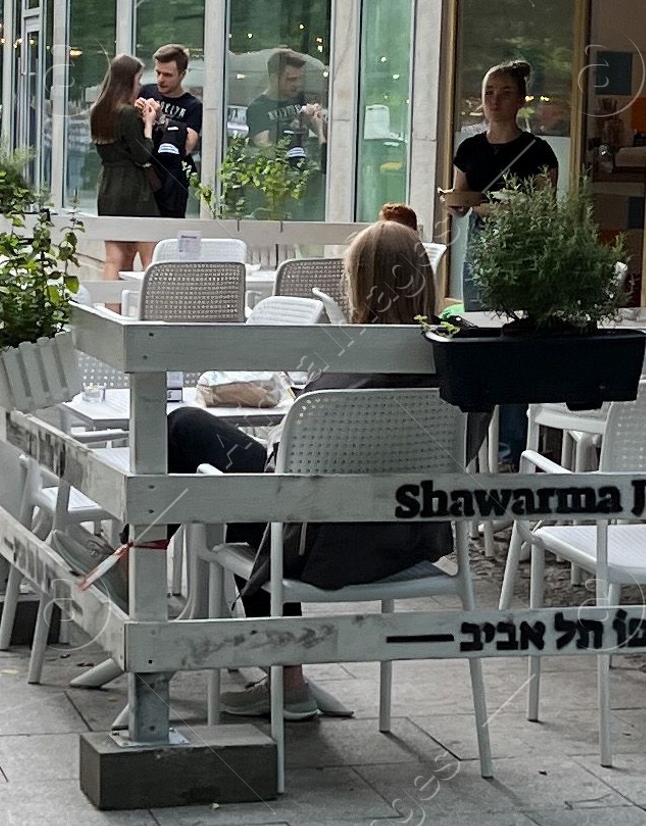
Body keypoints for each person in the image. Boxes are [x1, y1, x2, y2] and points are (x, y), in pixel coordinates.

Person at [165, 221, 452, 721]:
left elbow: (291, 472)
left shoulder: (351, 363)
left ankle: (131, 559)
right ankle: (287, 680)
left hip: (320, 543)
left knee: (188, 427)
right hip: (405, 536)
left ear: (360, 283)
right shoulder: (446, 359)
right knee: (261, 493)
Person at [443, 59, 559, 470]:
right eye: (489, 92)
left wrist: (483, 205)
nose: (494, 100)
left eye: (504, 92)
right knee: (479, 346)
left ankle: (510, 452)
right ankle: (473, 448)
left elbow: (542, 210)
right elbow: (459, 203)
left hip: (522, 258)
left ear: (521, 99)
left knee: (515, 351)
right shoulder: (469, 148)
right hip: (478, 255)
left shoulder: (538, 152)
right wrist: (460, 203)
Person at [90, 53, 160, 281]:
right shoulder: (127, 113)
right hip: (134, 189)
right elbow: (143, 155)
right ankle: (153, 311)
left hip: (108, 187)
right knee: (150, 256)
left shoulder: (98, 111)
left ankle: (112, 310)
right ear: (127, 81)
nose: (139, 86)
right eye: (138, 80)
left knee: (114, 257)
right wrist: (148, 125)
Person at [139, 45, 202, 219]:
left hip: (172, 178)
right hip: (145, 173)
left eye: (168, 75)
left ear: (182, 75)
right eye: (158, 73)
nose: (161, 80)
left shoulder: (192, 106)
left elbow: (188, 146)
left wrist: (161, 120)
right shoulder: (146, 92)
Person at [246, 49, 325, 174]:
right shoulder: (258, 108)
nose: (297, 84)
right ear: (274, 79)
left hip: (304, 170)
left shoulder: (299, 98)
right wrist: (291, 126)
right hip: (278, 177)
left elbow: (323, 133)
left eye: (300, 78)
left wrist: (316, 119)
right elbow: (264, 147)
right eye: (291, 79)